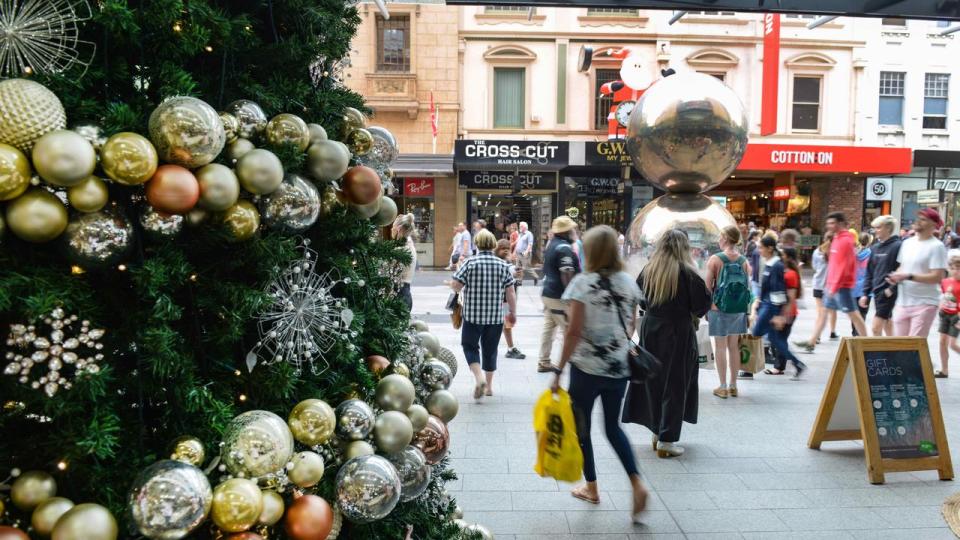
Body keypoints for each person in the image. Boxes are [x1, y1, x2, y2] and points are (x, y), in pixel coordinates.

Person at [548, 225, 648, 520]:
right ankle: (636, 481)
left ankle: (591, 487)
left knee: (583, 429)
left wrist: (557, 370)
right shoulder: (628, 283)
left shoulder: (582, 283)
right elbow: (631, 325)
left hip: (586, 370)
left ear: (590, 252)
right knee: (613, 427)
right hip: (618, 368)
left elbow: (573, 332)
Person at [623, 230, 711, 458]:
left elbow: (639, 298)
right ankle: (667, 439)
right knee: (676, 383)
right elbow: (701, 306)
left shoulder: (649, 271)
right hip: (679, 332)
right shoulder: (688, 274)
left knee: (655, 381)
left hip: (652, 329)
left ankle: (657, 430)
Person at [451, 229, 517, 400]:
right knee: (490, 350)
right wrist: (513, 312)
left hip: (472, 315)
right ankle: (488, 387)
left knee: (470, 346)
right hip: (495, 317)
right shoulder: (502, 265)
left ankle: (478, 377)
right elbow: (510, 292)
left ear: (477, 244)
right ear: (493, 244)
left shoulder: (470, 263)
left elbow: (456, 285)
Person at [795, 213, 868, 351]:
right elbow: (835, 265)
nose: (829, 226)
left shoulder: (846, 240)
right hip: (833, 286)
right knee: (824, 313)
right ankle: (811, 342)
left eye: (832, 223)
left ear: (840, 223)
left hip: (842, 286)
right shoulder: (837, 239)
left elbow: (844, 266)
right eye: (828, 223)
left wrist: (834, 286)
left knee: (854, 314)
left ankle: (866, 341)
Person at [704, 225, 751, 398]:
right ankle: (733, 386)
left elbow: (707, 289)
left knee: (720, 347)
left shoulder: (715, 260)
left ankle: (722, 386)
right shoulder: (744, 261)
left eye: (720, 236)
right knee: (734, 347)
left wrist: (708, 308)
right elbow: (748, 288)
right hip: (738, 309)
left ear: (724, 238)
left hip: (719, 308)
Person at [887, 208, 949, 338]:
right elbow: (902, 267)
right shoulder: (907, 243)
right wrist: (895, 277)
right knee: (899, 346)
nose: (918, 221)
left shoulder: (936, 246)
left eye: (924, 219)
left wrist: (908, 276)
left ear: (933, 224)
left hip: (925, 303)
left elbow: (938, 277)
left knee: (914, 347)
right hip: (902, 302)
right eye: (918, 218)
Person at [754, 239, 807, 378]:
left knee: (757, 332)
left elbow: (778, 290)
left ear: (770, 248)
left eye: (761, 248)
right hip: (768, 305)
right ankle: (797, 363)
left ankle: (748, 367)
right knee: (775, 339)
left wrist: (779, 315)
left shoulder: (776, 266)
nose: (759, 250)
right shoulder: (770, 264)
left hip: (771, 307)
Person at [537, 216, 582, 372]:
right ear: (566, 231)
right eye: (572, 229)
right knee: (570, 329)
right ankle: (573, 360)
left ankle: (544, 361)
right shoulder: (564, 248)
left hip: (548, 293)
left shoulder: (552, 244)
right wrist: (571, 299)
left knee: (549, 328)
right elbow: (567, 273)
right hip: (559, 296)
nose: (574, 232)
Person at [860, 216, 902, 337]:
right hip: (877, 292)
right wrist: (864, 294)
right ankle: (893, 352)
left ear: (888, 228)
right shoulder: (874, 248)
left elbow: (903, 269)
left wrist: (891, 290)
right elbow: (869, 272)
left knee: (875, 328)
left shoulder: (898, 246)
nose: (875, 230)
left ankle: (878, 354)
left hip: (888, 293)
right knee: (888, 323)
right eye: (875, 228)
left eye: (879, 227)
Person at [495, 239, 526, 360]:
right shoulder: (498, 262)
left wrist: (517, 273)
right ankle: (510, 348)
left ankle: (510, 348)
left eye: (507, 248)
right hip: (499, 297)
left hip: (506, 297)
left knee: (506, 324)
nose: (506, 251)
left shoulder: (508, 261)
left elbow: (514, 274)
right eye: (503, 248)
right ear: (497, 250)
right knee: (504, 323)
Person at [810, 232, 838, 341]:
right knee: (832, 310)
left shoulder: (817, 251)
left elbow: (814, 266)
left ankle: (818, 336)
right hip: (830, 285)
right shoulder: (835, 252)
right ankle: (832, 331)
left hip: (818, 284)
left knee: (820, 311)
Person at [936, 255, 960, 378]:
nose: (955, 271)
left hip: (957, 316)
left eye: (958, 268)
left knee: (953, 344)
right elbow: (944, 295)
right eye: (953, 268)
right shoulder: (945, 282)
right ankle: (944, 370)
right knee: (942, 342)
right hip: (945, 314)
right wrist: (940, 306)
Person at [392, 213, 417, 312]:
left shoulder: (402, 249)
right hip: (404, 293)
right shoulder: (408, 245)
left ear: (399, 229)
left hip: (399, 295)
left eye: (393, 227)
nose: (391, 229)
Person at [851, 232, 873, 336]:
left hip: (853, 288)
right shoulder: (871, 254)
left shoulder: (853, 254)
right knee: (862, 313)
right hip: (866, 289)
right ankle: (858, 335)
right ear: (869, 241)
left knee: (854, 314)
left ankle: (854, 333)